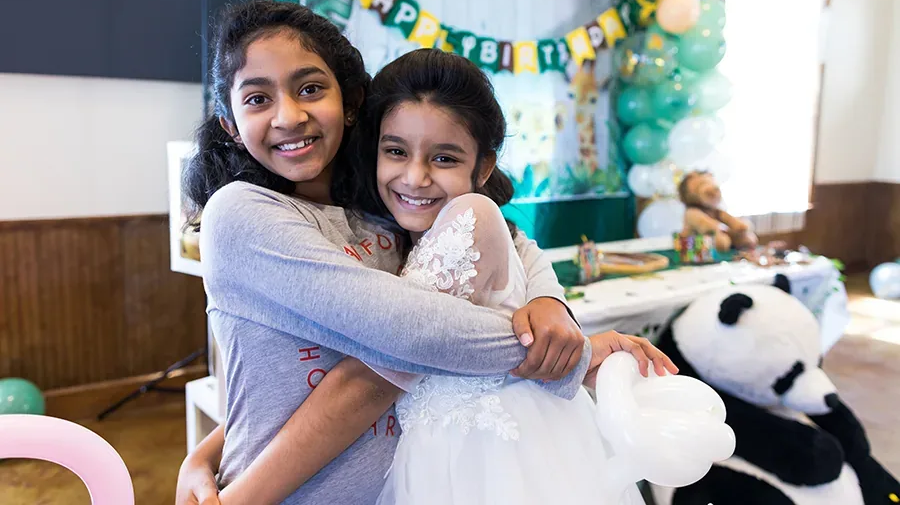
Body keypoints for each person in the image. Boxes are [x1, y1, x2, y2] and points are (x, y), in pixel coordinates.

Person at [179, 45, 676, 505]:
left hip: (477, 464)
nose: (415, 177)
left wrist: (557, 318)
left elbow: (381, 367)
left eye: (443, 158)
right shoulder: (381, 223)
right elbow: (327, 371)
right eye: (395, 151)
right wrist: (207, 454)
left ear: (483, 166)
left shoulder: (465, 217)